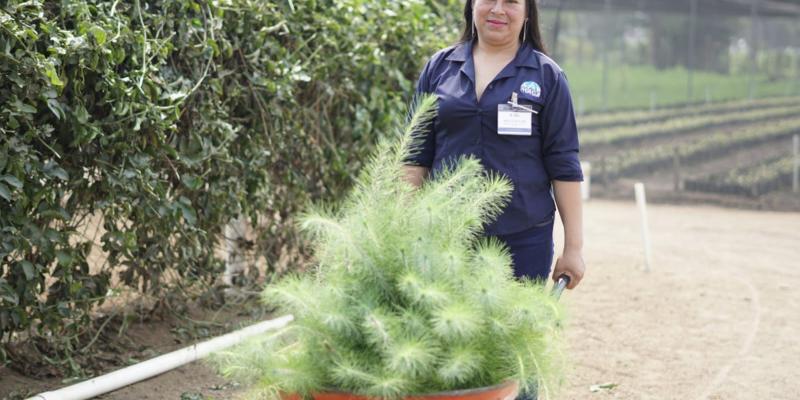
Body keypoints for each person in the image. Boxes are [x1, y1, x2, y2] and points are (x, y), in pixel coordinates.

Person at [403, 0, 586, 292]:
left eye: (512, 2)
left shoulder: (547, 77)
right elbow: (414, 155)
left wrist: (573, 248)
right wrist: (401, 227)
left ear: (527, 14)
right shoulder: (439, 68)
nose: (498, 10)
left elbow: (564, 164)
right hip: (444, 236)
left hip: (522, 240)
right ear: (472, 6)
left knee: (511, 333)